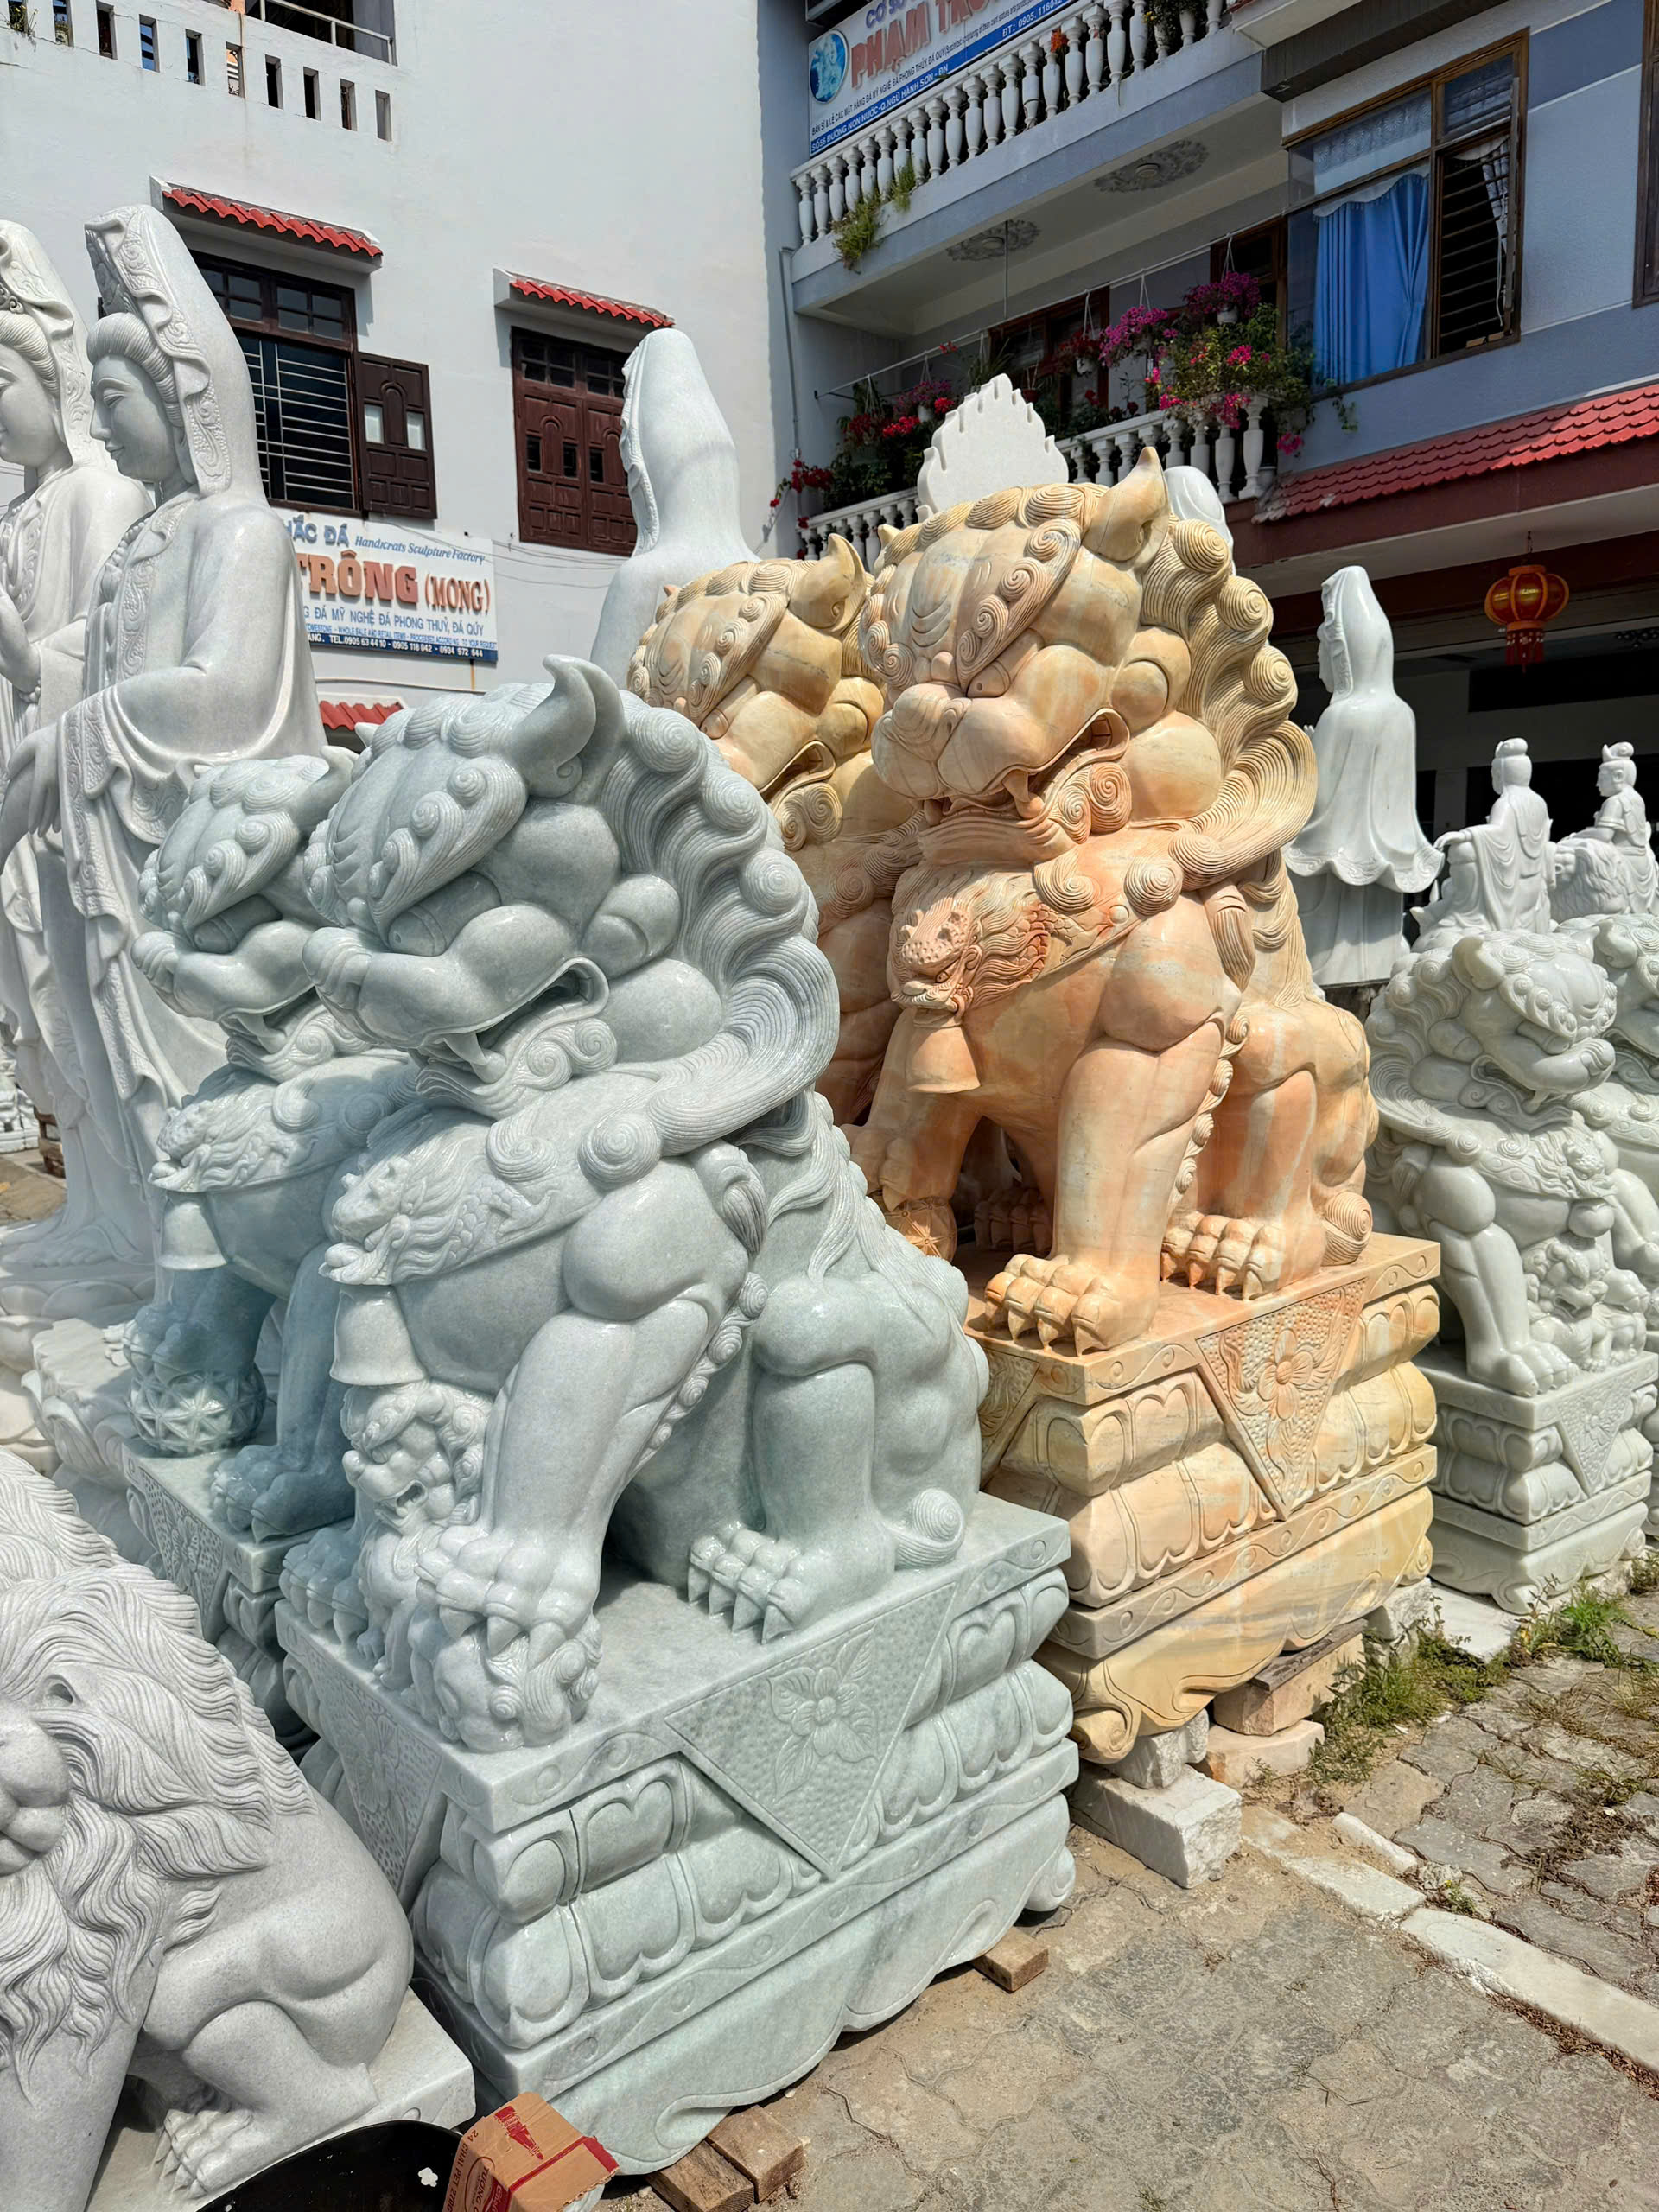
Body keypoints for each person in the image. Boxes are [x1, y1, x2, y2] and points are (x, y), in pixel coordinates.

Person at [0, 205, 324, 1239]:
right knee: (98, 1037)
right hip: (107, 836)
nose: (101, 424)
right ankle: (130, 1231)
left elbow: (227, 689)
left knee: (192, 1061)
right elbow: (74, 666)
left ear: (183, 399)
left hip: (193, 852)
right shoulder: (136, 543)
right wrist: (59, 728)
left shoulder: (244, 531)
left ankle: (210, 1252)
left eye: (115, 400)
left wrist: (77, 736)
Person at [0, 222, 150, 1300]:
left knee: (84, 990)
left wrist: (19, 655)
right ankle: (87, 1195)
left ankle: (122, 1207)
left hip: (73, 786)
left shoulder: (101, 493)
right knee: (35, 999)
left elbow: (99, 649)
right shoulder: (22, 507)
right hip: (20, 767)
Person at [1287, 565, 1440, 988]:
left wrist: (1302, 762)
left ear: (1343, 651)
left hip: (1332, 875)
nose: (1319, 660)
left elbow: (1318, 805)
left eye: (1322, 648)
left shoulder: (1342, 716)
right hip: (1384, 872)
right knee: (1377, 965)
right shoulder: (1401, 713)